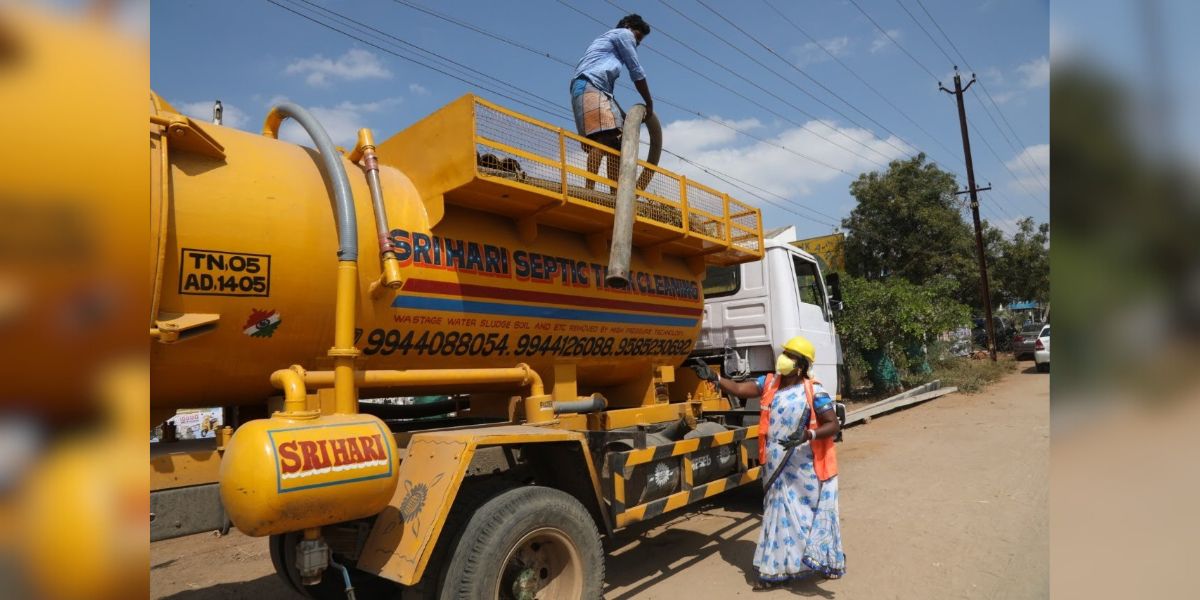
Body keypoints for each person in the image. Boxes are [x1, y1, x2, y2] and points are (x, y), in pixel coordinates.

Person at [690, 337, 846, 589]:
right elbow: (740, 389)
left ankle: (811, 561)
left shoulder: (814, 391)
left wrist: (808, 434)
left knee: (804, 516)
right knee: (777, 515)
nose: (783, 358)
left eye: (791, 356)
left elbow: (833, 423)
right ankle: (775, 569)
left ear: (801, 365)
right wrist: (714, 378)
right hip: (775, 464)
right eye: (784, 353)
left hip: (802, 467)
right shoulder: (769, 383)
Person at [570, 14, 653, 191]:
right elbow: (636, 71)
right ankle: (588, 189)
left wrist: (624, 115)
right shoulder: (623, 34)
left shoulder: (610, 42)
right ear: (628, 26)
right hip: (590, 85)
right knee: (604, 139)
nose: (636, 43)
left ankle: (615, 193)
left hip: (593, 88)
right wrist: (648, 102)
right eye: (638, 38)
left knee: (616, 142)